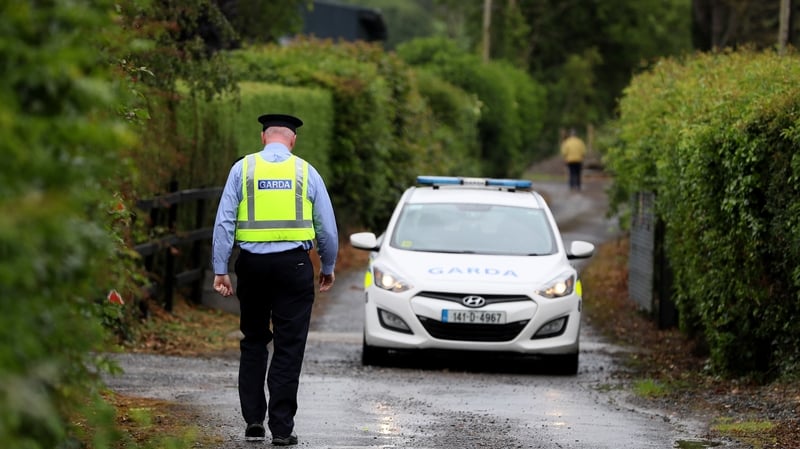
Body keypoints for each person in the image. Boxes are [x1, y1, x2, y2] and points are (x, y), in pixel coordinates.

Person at [211, 113, 338, 446]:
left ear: (263, 137)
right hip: (294, 268)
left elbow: (224, 222)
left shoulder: (243, 169)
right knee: (289, 345)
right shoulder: (306, 171)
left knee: (253, 340)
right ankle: (281, 428)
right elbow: (326, 227)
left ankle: (254, 420)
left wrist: (220, 268)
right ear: (292, 140)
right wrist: (328, 265)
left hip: (252, 266)